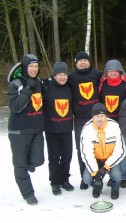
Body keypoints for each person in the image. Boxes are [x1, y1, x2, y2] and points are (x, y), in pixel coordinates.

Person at [7, 54, 44, 205]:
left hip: (36, 129)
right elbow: (15, 107)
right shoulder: (16, 84)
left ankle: (30, 163)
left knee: (37, 160)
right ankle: (28, 193)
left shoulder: (39, 82)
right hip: (19, 131)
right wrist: (28, 89)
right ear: (24, 67)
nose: (34, 69)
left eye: (36, 66)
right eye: (31, 66)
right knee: (20, 164)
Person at [68, 51, 102, 190]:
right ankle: (84, 176)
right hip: (80, 119)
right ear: (76, 63)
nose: (83, 62)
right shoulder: (71, 77)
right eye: (80, 60)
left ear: (89, 62)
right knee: (81, 149)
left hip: (97, 118)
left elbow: (113, 78)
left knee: (99, 148)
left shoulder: (97, 74)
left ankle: (98, 175)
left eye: (85, 60)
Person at [80, 103, 125, 200]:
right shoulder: (87, 129)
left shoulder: (114, 126)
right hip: (96, 160)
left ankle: (115, 188)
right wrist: (96, 173)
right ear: (92, 117)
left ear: (106, 116)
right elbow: (86, 153)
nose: (99, 119)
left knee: (117, 176)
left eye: (102, 116)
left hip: (110, 160)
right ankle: (97, 187)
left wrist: (106, 167)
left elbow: (120, 151)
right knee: (87, 179)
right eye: (96, 116)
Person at [42, 62, 74, 195]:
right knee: (54, 157)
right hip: (52, 129)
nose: (62, 77)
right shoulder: (46, 86)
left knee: (67, 156)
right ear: (54, 75)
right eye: (59, 74)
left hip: (66, 128)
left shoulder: (69, 87)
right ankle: (55, 182)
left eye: (64, 74)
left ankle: (64, 179)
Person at [98, 59, 126, 188]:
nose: (112, 73)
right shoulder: (102, 85)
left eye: (115, 71)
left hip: (123, 123)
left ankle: (123, 176)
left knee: (124, 151)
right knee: (110, 152)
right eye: (109, 71)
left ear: (120, 71)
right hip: (108, 125)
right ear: (106, 73)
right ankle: (113, 176)